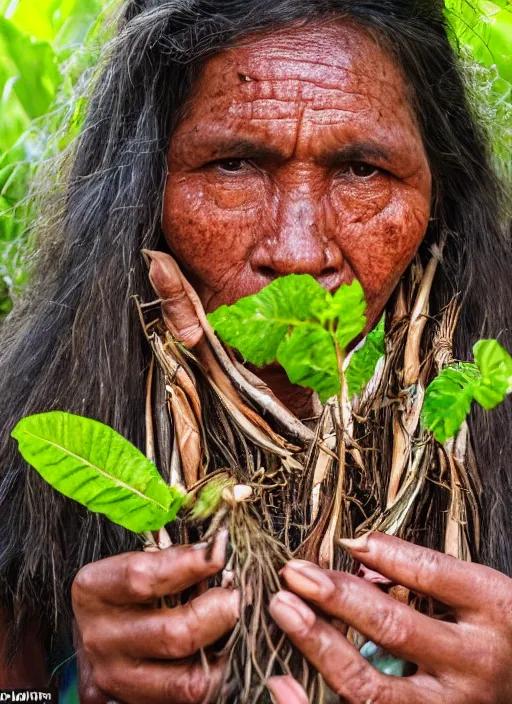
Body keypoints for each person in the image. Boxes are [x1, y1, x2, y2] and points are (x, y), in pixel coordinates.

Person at [0, 0, 511, 702]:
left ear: (439, 199)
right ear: (142, 192)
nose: (299, 252)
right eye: (233, 164)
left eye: (362, 169)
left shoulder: (483, 437)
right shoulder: (19, 458)